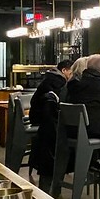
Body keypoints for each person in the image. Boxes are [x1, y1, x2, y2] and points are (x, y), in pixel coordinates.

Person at [29, 60, 74, 192]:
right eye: (70, 72)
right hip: (44, 122)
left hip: (41, 121)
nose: (71, 76)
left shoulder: (50, 78)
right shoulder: (57, 82)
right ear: (64, 70)